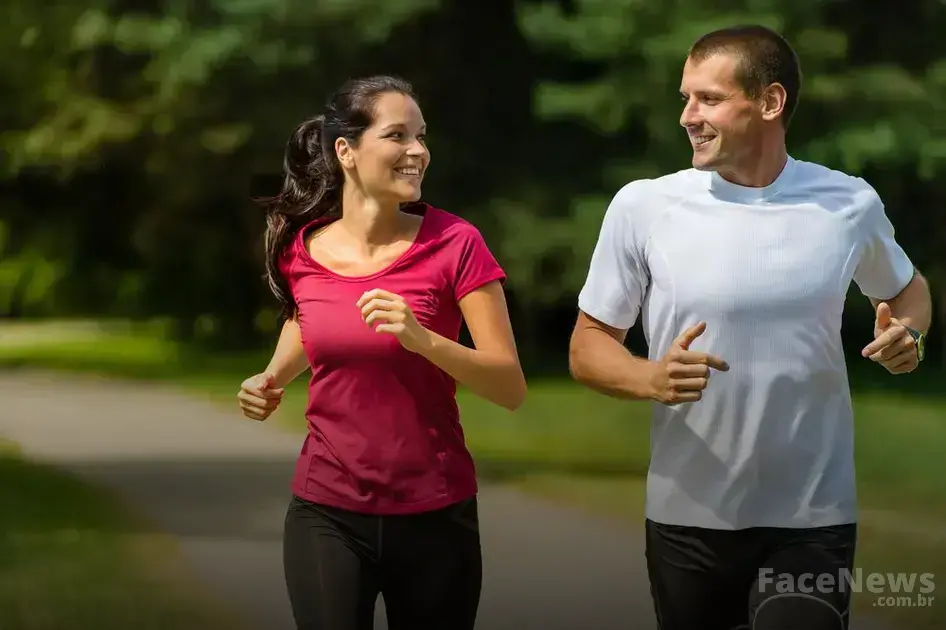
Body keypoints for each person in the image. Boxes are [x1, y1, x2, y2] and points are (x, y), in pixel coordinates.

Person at [569, 25, 932, 630]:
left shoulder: (847, 203)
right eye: (685, 98)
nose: (688, 116)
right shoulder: (644, 206)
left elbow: (907, 289)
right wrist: (649, 377)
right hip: (688, 516)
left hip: (812, 516)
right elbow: (588, 345)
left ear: (769, 102)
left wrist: (911, 336)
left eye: (707, 99)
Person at [236, 75, 526, 630]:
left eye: (421, 136)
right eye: (398, 135)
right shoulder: (303, 249)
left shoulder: (455, 243)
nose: (418, 151)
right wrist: (271, 375)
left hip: (436, 514)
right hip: (327, 510)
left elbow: (509, 387)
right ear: (346, 150)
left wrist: (422, 339)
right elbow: (309, 318)